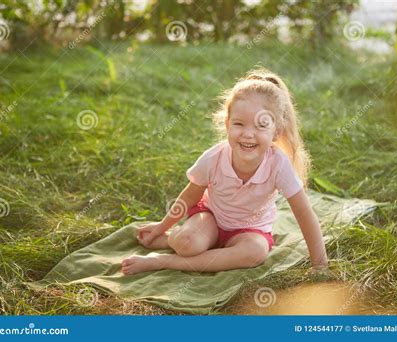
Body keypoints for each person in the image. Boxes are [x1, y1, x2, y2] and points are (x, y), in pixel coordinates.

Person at [121, 68, 328, 275]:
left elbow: (304, 215)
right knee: (187, 244)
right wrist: (161, 226)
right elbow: (190, 196)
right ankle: (175, 238)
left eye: (260, 126)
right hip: (210, 219)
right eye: (239, 124)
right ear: (227, 124)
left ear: (276, 132)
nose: (248, 134)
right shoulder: (214, 158)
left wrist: (320, 266)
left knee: (255, 252)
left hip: (248, 232)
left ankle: (163, 261)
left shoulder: (279, 164)